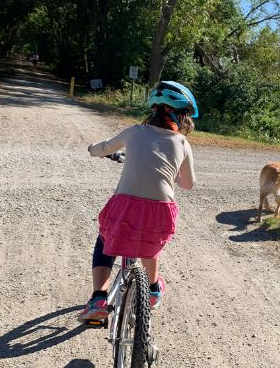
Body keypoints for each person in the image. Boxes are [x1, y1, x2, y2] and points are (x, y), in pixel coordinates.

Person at [77, 81, 197, 322]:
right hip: (161, 211)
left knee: (105, 239)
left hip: (126, 206)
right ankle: (153, 289)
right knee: (149, 242)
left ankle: (99, 298)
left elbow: (100, 149)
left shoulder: (134, 132)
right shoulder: (183, 143)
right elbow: (187, 184)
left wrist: (92, 148)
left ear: (153, 111)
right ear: (182, 117)